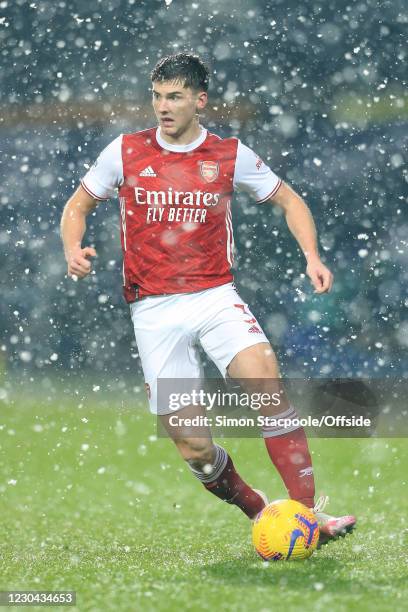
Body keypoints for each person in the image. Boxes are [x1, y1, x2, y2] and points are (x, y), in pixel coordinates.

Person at [60, 52, 355, 546]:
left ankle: (308, 516)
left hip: (214, 295)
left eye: (174, 96)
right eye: (156, 96)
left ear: (200, 100)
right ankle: (259, 510)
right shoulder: (125, 151)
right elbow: (78, 205)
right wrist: (74, 248)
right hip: (153, 309)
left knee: (265, 381)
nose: (162, 107)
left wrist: (312, 257)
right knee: (195, 448)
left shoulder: (229, 155)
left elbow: (289, 199)